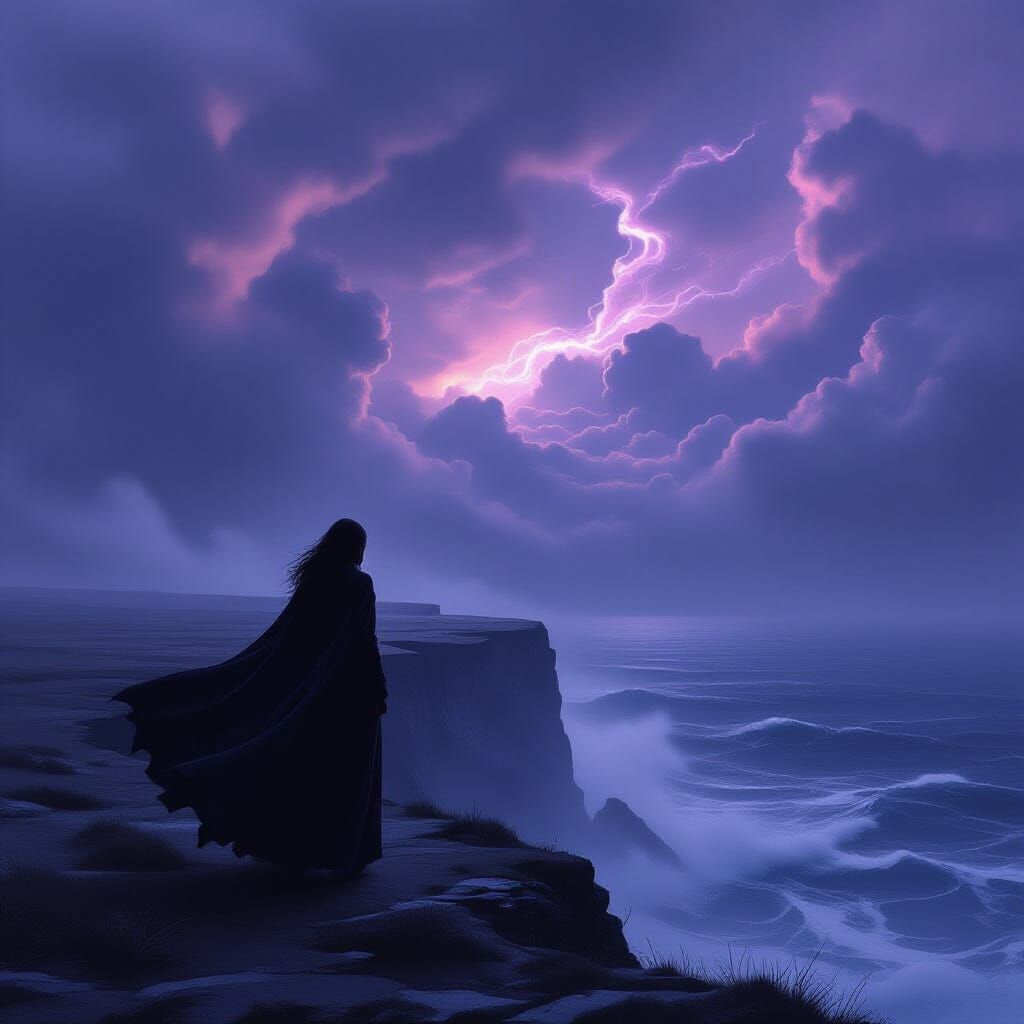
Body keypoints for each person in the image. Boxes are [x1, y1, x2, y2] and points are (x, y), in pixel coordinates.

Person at [113, 518, 388, 875]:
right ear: (358, 546)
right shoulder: (358, 583)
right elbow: (364, 641)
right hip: (348, 692)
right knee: (343, 772)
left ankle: (297, 849)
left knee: (305, 767)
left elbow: (290, 642)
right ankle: (339, 852)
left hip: (312, 691)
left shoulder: (316, 580)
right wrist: (378, 689)